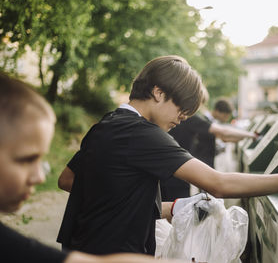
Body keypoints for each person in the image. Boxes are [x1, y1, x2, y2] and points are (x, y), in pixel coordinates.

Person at [57, 55, 278, 256]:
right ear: (158, 93)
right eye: (181, 110)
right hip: (116, 254)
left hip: (80, 249)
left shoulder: (106, 124)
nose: (182, 119)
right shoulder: (144, 134)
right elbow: (219, 184)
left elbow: (68, 180)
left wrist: (171, 207)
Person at [0, 73, 186, 263]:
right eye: (26, 160)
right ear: (158, 93)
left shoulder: (106, 126)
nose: (39, 177)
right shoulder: (134, 132)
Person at [161, 93, 257, 201]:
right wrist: (250, 135)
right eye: (200, 103)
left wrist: (245, 137)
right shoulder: (191, 118)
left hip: (179, 167)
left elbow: (224, 136)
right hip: (182, 168)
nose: (200, 107)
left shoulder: (185, 117)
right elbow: (223, 133)